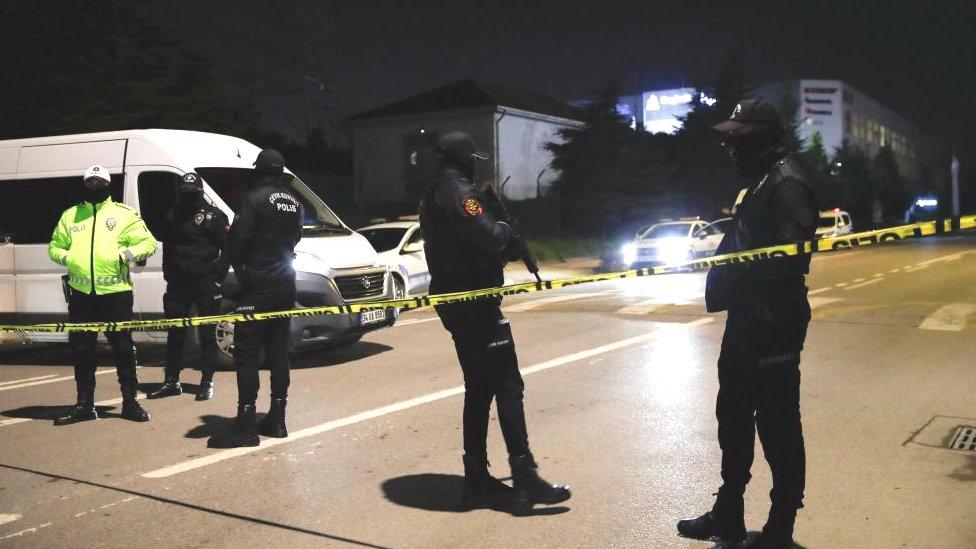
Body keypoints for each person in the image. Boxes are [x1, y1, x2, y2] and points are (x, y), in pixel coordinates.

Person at [676, 100, 817, 548]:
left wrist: (739, 273)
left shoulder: (786, 182)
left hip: (773, 321)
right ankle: (729, 513)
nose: (729, 146)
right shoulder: (761, 181)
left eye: (738, 137)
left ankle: (780, 527)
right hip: (747, 319)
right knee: (732, 417)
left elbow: (789, 255)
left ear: (761, 137)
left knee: (777, 424)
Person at [419, 131, 570, 509]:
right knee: (508, 385)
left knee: (480, 387)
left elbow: (463, 245)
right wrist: (508, 230)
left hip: (458, 300)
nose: (476, 164)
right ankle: (525, 478)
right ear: (464, 158)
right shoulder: (461, 194)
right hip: (475, 304)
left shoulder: (434, 193)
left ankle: (476, 478)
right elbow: (487, 236)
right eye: (473, 158)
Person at [208, 149, 303, 448]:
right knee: (278, 350)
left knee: (247, 353)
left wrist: (231, 273)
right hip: (285, 284)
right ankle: (277, 417)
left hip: (258, 285)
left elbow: (238, 240)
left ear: (259, 171)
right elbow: (296, 237)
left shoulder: (253, 198)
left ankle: (246, 425)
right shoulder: (294, 201)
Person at [48, 165, 158, 423]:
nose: (95, 186)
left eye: (100, 182)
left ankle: (130, 404)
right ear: (84, 184)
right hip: (81, 295)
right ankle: (85, 405)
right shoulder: (70, 216)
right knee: (83, 351)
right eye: (90, 182)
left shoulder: (123, 214)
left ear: (109, 185)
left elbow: (148, 244)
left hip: (115, 295)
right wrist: (70, 258)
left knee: (123, 349)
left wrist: (125, 255)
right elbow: (54, 247)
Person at [148, 172, 230, 401]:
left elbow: (228, 249)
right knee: (175, 333)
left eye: (192, 191)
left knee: (207, 334)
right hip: (178, 283)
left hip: (205, 282)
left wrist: (219, 277)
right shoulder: (173, 214)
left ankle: (207, 381)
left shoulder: (214, 216)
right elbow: (168, 246)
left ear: (200, 192)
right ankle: (171, 380)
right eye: (184, 191)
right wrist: (167, 272)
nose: (188, 195)